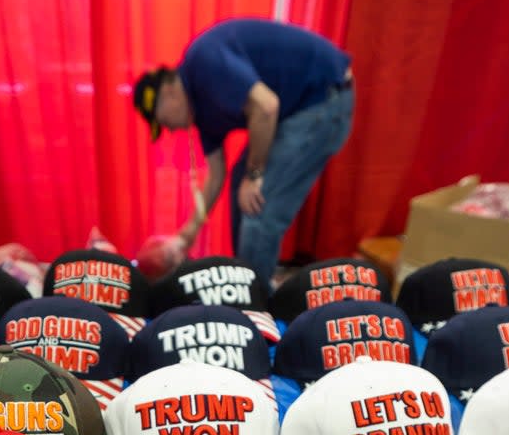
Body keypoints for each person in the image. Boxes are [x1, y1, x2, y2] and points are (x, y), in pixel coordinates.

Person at [133, 18, 354, 284]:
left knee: (258, 207)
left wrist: (255, 174)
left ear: (168, 92)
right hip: (296, 107)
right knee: (241, 185)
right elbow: (216, 176)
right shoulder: (200, 112)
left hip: (324, 98)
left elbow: (266, 106)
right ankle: (247, 282)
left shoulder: (204, 62)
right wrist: (186, 236)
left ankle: (253, 305)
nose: (170, 129)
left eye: (164, 121)